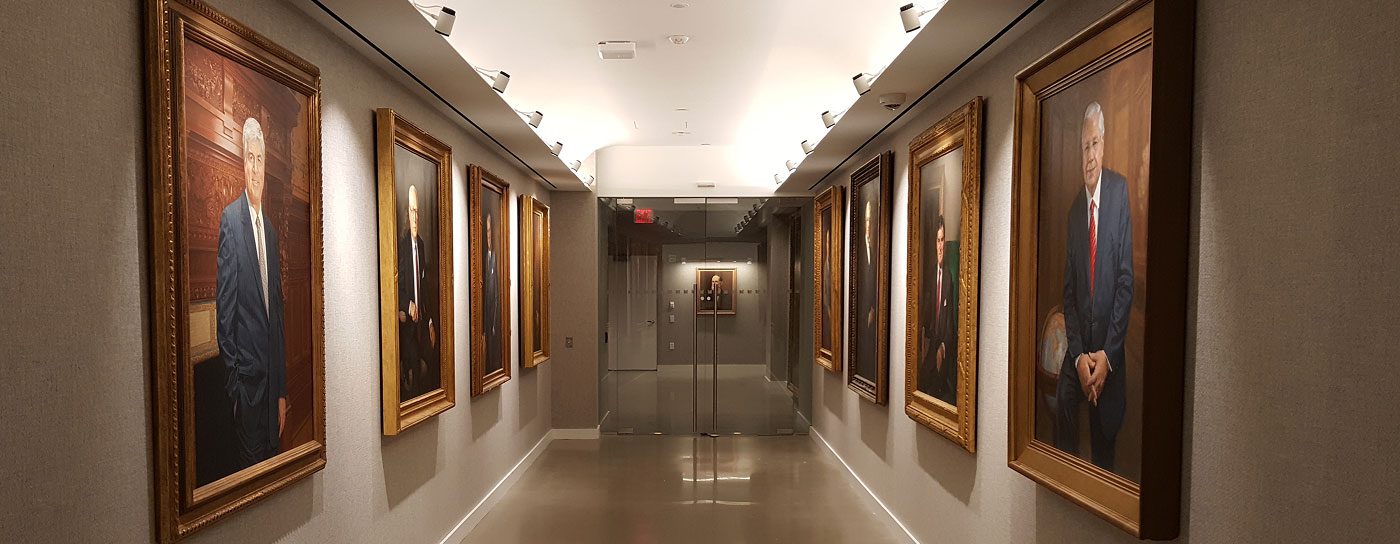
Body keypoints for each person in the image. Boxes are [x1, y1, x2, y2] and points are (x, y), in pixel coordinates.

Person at [1055, 101, 1135, 471]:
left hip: (1109, 354)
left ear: (1104, 145)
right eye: (1084, 147)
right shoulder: (1074, 212)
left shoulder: (1119, 194)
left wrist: (1106, 357)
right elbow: (1069, 295)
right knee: (1062, 431)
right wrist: (1078, 356)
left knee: (1105, 453)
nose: (1090, 156)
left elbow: (1124, 283)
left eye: (1095, 144)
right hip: (1078, 353)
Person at [216, 117, 287, 470]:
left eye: (260, 160)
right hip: (246, 392)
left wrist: (282, 392)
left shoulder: (271, 233)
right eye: (250, 159)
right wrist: (235, 389)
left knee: (273, 476)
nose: (255, 168)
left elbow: (278, 320)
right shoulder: (230, 221)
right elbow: (225, 315)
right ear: (242, 163)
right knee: (249, 479)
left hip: (271, 392)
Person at [398, 184, 438, 399]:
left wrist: (430, 321)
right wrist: (406, 304)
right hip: (407, 325)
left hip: (422, 322)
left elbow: (424, 287)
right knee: (413, 368)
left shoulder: (420, 245)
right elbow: (395, 284)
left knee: (431, 364)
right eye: (412, 211)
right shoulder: (401, 245)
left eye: (417, 212)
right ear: (406, 213)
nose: (415, 217)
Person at [919, 216, 957, 403]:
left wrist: (943, 346)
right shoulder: (928, 274)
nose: (941, 246)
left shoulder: (949, 278)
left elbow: (949, 320)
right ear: (934, 243)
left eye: (943, 240)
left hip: (940, 345)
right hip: (927, 341)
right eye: (938, 240)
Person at [856, 197, 878, 376]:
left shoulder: (874, 247)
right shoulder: (858, 250)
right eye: (867, 220)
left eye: (871, 220)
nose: (869, 225)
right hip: (860, 315)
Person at [483, 212, 502, 371]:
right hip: (484, 318)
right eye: (486, 231)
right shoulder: (482, 259)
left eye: (490, 231)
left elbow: (496, 294)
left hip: (494, 317)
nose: (488, 236)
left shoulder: (497, 258)